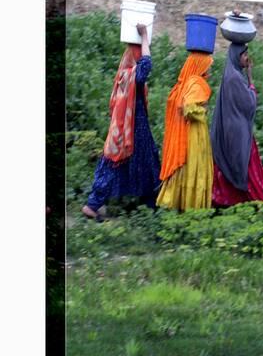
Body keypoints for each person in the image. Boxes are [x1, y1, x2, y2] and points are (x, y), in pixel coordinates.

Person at [82, 24, 160, 220]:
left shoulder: (124, 73)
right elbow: (146, 67)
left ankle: (96, 203)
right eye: (140, 53)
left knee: (125, 163)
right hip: (133, 127)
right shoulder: (132, 74)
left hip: (126, 128)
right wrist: (144, 37)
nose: (142, 55)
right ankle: (152, 208)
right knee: (141, 163)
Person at [210, 43, 263, 208]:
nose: (247, 58)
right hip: (238, 133)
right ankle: (260, 202)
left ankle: (232, 204)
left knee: (234, 167)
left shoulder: (231, 74)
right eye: (244, 55)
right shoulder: (234, 78)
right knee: (247, 169)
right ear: (236, 56)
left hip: (231, 130)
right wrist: (251, 79)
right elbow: (250, 103)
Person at [156, 52, 214, 210]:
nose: (210, 70)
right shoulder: (196, 83)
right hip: (194, 133)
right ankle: (192, 208)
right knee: (194, 167)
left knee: (185, 168)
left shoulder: (184, 83)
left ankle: (175, 204)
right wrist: (203, 110)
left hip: (187, 133)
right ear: (200, 67)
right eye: (208, 66)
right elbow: (189, 108)